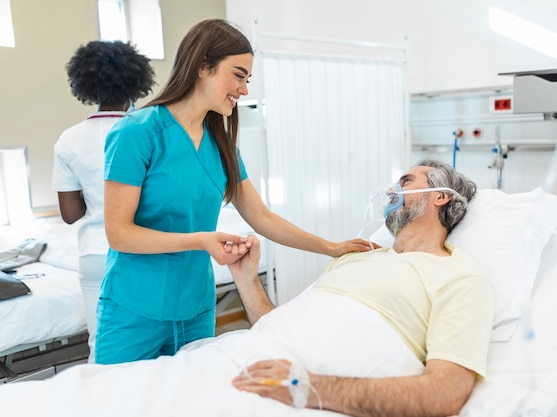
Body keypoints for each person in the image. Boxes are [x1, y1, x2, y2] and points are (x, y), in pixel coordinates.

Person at [98, 19, 372, 365]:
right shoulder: (137, 133)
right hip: (134, 309)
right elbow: (119, 234)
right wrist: (201, 240)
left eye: (247, 79)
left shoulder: (222, 145)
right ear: (202, 67)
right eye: (238, 75)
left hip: (195, 309)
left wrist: (331, 248)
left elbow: (261, 217)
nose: (244, 89)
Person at [228, 159, 496, 417]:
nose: (392, 190)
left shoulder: (460, 277)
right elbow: (277, 330)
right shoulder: (356, 257)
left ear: (440, 196)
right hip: (244, 361)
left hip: (295, 393)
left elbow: (446, 393)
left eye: (406, 181)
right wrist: (246, 279)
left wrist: (306, 387)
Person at [51, 40, 156, 362]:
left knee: (101, 347)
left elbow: (70, 215)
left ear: (86, 85)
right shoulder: (149, 129)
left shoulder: (69, 139)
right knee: (150, 344)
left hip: (94, 253)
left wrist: (94, 190)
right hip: (140, 249)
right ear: (136, 83)